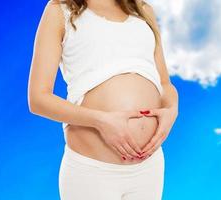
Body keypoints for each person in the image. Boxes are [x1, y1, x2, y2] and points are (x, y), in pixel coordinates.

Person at [27, 0, 179, 199]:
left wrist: (172, 110)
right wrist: (101, 121)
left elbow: (164, 83)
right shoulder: (60, 11)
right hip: (92, 172)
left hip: (149, 168)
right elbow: (38, 98)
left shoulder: (143, 10)